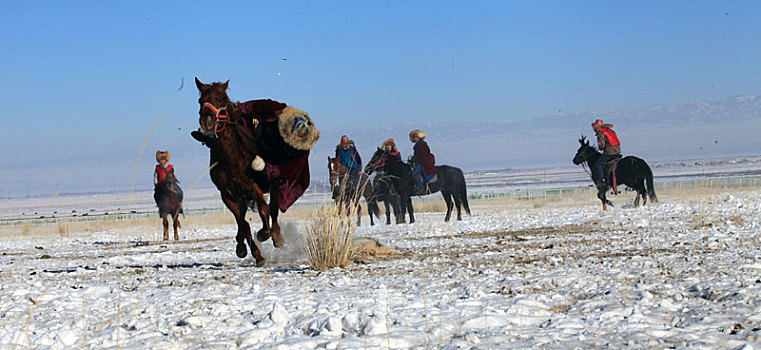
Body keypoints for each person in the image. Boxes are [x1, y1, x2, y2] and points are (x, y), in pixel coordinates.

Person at [591, 118, 622, 187]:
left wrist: (600, 148)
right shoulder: (610, 130)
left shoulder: (600, 132)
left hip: (610, 153)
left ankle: (602, 180)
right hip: (618, 152)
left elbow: (602, 145)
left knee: (598, 165)